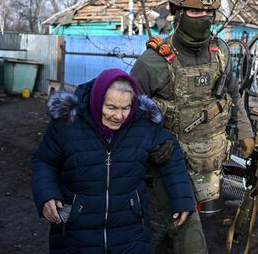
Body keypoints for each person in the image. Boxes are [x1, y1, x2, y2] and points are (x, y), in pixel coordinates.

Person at [130, 0, 256, 254]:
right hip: (170, 163)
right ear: (177, 12)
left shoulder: (220, 52)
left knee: (194, 225)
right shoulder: (152, 62)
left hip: (209, 160)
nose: (203, 18)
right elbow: (128, 116)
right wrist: (156, 144)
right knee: (190, 232)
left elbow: (233, 96)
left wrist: (245, 130)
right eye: (195, 11)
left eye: (209, 12)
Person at [31, 68, 196, 253]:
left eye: (126, 108)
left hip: (130, 232)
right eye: (111, 107)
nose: (119, 116)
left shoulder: (142, 124)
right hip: (75, 234)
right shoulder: (67, 123)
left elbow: (170, 154)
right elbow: (44, 161)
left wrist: (182, 198)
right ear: (97, 100)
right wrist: (46, 194)